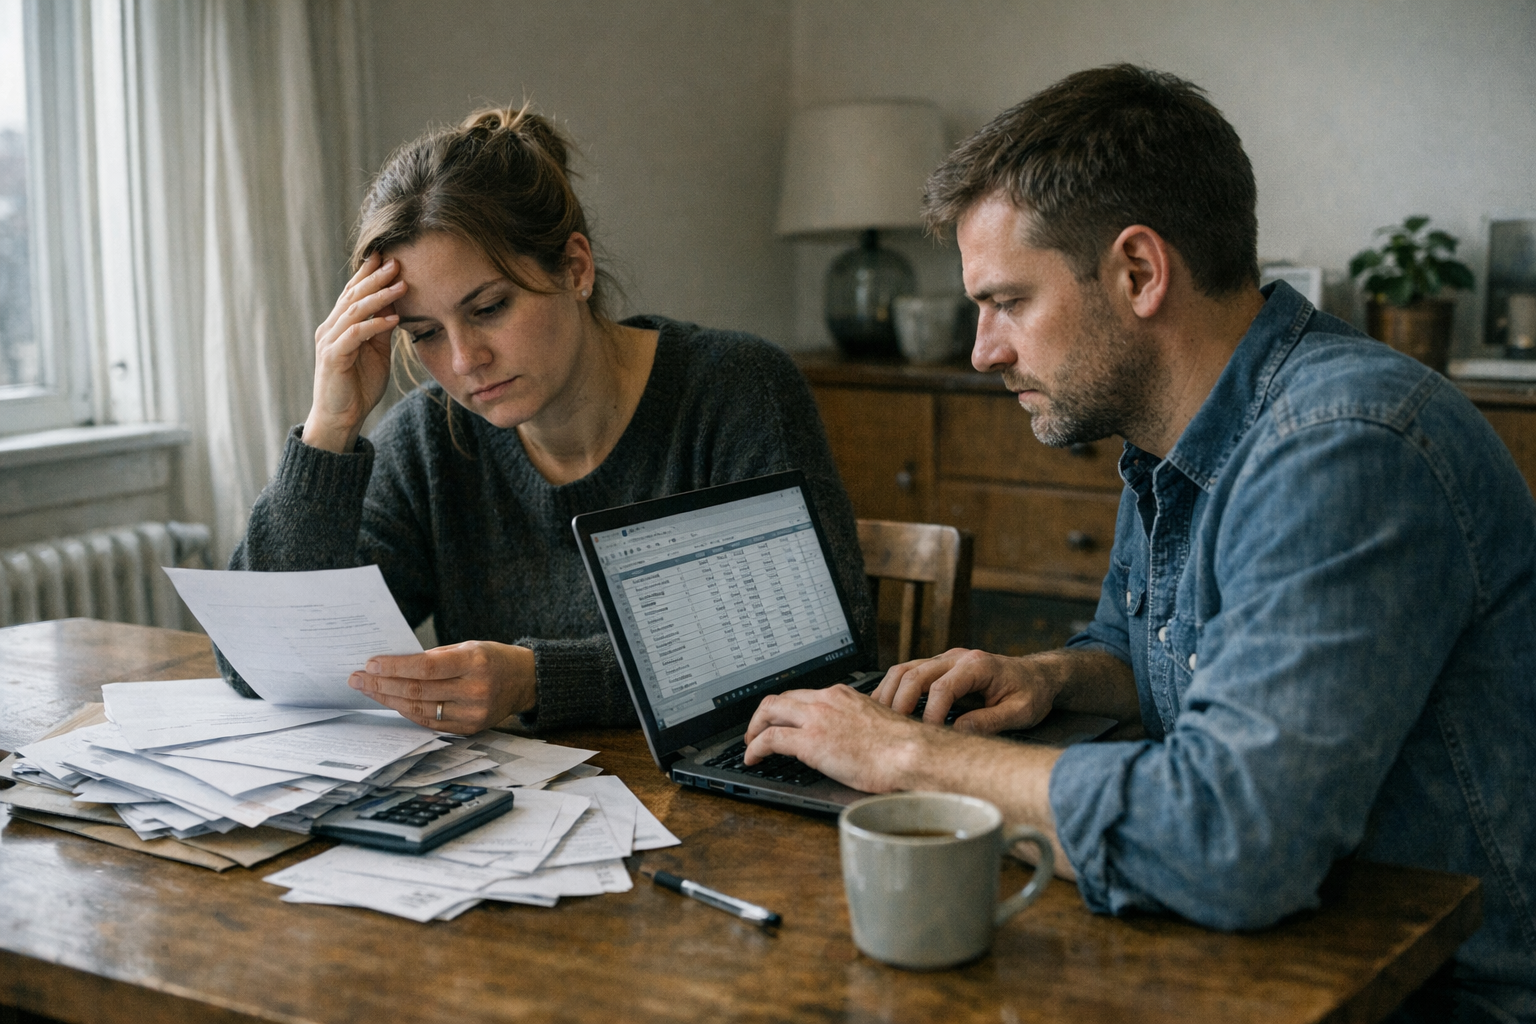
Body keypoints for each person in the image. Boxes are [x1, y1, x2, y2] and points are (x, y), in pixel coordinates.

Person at [743, 66, 1536, 1022]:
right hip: (1288, 957)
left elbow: (1233, 840)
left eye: (1008, 302)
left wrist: (905, 757)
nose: (982, 351)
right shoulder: (1178, 431)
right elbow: (1146, 650)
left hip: (1439, 995)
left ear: (1138, 273)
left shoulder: (1343, 450)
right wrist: (1053, 677)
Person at [219, 104, 874, 736]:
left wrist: (538, 679)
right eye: (424, 334)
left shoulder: (733, 389)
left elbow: (812, 650)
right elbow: (258, 667)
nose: (465, 359)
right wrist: (329, 429)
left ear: (577, 268)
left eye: (490, 307)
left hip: (713, 812)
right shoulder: (429, 439)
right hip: (505, 820)